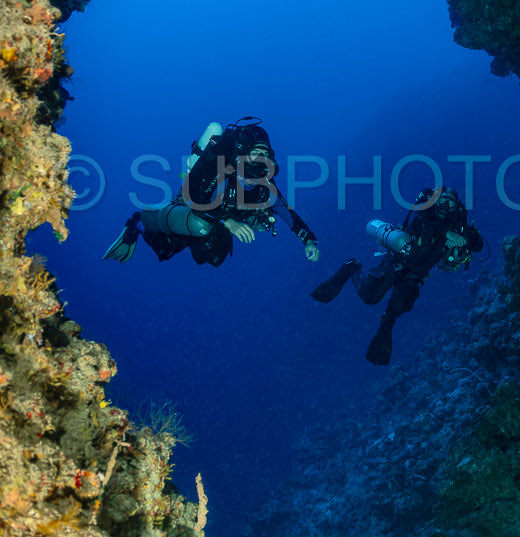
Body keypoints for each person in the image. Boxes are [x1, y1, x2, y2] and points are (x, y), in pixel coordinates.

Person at [103, 117, 319, 267]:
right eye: (256, 153)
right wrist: (229, 222)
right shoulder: (224, 169)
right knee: (194, 230)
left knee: (211, 250)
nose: (261, 160)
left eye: (266, 154)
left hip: (218, 222)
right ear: (243, 154)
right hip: (192, 208)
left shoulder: (266, 186)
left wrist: (308, 240)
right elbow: (194, 196)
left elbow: (288, 215)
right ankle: (138, 221)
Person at [311, 186, 483, 365]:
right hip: (396, 262)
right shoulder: (424, 212)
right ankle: (351, 268)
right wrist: (444, 233)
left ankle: (384, 331)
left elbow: (478, 246)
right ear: (435, 200)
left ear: (456, 206)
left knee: (398, 309)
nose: (446, 205)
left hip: (416, 274)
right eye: (443, 199)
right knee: (370, 297)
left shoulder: (457, 224)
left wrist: (469, 235)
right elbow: (416, 226)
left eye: (451, 202)